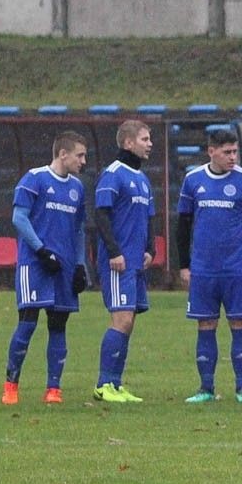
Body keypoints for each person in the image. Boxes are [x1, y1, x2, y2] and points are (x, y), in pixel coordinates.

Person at [177, 127, 242, 404]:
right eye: (227, 152)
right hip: (203, 268)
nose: (233, 157)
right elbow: (183, 225)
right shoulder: (193, 180)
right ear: (211, 152)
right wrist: (184, 265)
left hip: (237, 268)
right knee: (205, 325)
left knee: (239, 323)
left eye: (235, 152)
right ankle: (206, 388)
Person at [0, 131, 89, 406]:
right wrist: (41, 250)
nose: (83, 161)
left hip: (63, 266)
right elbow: (19, 218)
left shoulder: (77, 187)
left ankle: (54, 389)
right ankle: (11, 385)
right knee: (27, 322)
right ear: (63, 154)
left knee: (58, 324)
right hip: (35, 263)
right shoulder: (34, 178)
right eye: (80, 155)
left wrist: (80, 265)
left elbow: (79, 229)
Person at [92, 119, 156, 403]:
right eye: (144, 139)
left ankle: (116, 385)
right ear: (128, 142)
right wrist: (114, 251)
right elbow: (101, 215)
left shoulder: (142, 179)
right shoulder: (113, 174)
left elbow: (148, 219)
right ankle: (103, 384)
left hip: (135, 261)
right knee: (121, 319)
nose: (150, 143)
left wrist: (149, 249)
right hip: (117, 261)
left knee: (128, 322)